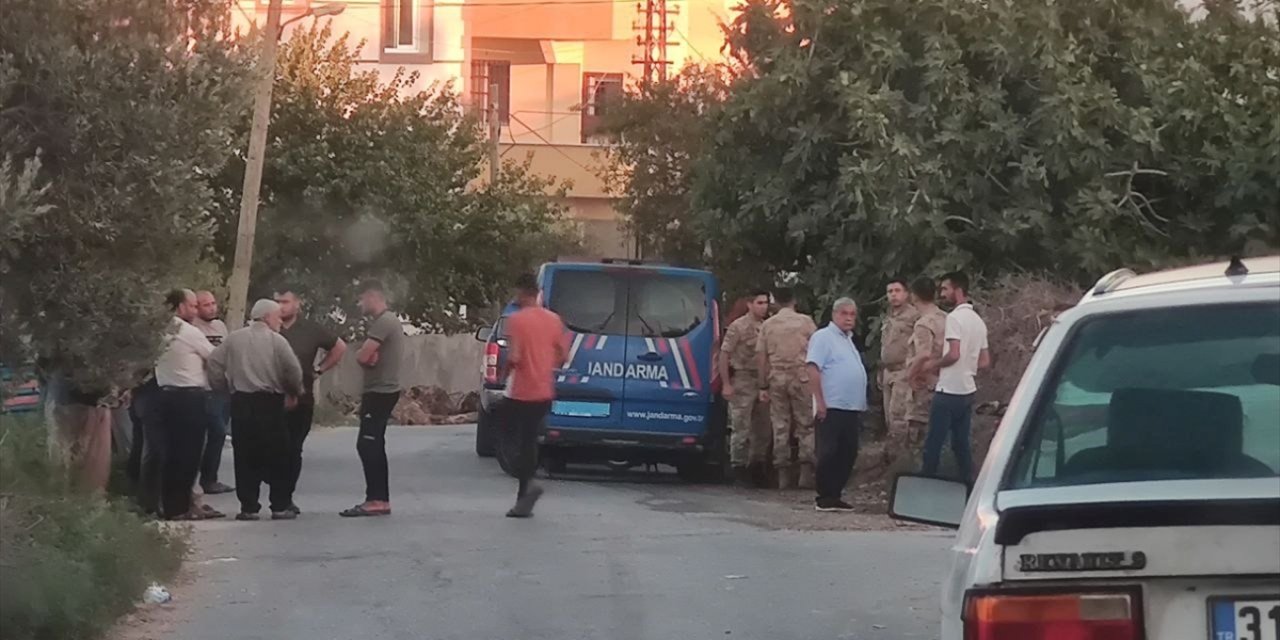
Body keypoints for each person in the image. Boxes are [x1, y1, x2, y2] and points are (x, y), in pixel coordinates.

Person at [208, 299, 305, 521]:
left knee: (245, 455)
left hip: (241, 402)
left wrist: (221, 388)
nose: (280, 321)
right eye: (278, 316)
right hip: (269, 403)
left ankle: (249, 507)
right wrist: (294, 392)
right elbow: (292, 370)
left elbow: (213, 362)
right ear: (267, 317)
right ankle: (279, 505)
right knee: (278, 454)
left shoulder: (233, 339)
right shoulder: (276, 341)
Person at [498, 273, 568, 518]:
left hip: (520, 390)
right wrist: (545, 365)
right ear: (538, 292)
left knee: (510, 437)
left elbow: (514, 357)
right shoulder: (554, 320)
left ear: (520, 292)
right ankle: (523, 496)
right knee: (530, 440)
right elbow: (563, 355)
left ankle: (527, 486)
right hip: (544, 389)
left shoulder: (516, 320)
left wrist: (502, 373)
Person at [275, 287, 347, 513]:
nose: (280, 306)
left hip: (302, 397)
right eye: (276, 302)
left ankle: (284, 498)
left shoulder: (310, 329)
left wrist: (319, 369)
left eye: (285, 301)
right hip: (270, 397)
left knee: (293, 449)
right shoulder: (268, 325)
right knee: (272, 449)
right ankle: (270, 494)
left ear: (297, 304)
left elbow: (339, 347)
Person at [152, 289, 219, 520]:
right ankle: (180, 508)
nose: (195, 310)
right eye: (192, 306)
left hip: (164, 395)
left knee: (170, 453)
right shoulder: (188, 331)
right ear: (180, 307)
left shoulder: (156, 331)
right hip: (189, 398)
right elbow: (214, 357)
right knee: (189, 455)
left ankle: (168, 504)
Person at [341, 280, 405, 518]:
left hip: (380, 391)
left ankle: (377, 499)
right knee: (372, 443)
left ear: (372, 296)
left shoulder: (384, 322)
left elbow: (363, 355)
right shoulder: (386, 322)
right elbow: (367, 356)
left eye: (361, 299)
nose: (360, 304)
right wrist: (366, 356)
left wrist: (362, 355)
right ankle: (378, 498)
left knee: (369, 444)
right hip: (380, 390)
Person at [919, 272, 990, 482]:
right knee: (961, 444)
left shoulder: (954, 318)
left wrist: (933, 365)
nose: (942, 294)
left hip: (949, 389)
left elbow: (953, 353)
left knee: (934, 442)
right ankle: (968, 486)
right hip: (967, 389)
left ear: (958, 291)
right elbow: (985, 361)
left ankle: (925, 485)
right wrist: (967, 366)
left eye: (945, 289)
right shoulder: (978, 321)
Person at [806, 298, 868, 512]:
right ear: (834, 314)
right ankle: (824, 496)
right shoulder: (823, 337)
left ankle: (835, 493)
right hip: (832, 404)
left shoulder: (849, 339)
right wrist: (820, 401)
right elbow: (813, 368)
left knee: (848, 451)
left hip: (851, 406)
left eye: (852, 314)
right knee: (829, 451)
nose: (849, 318)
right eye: (844, 314)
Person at [755, 287, 818, 490]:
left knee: (780, 424)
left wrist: (762, 384)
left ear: (776, 302)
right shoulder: (806, 322)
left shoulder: (767, 325)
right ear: (794, 300)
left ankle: (782, 473)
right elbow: (817, 350)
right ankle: (806, 472)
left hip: (777, 377)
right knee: (805, 424)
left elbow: (761, 357)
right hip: (801, 377)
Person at [719, 289, 772, 487]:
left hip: (763, 381)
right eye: (759, 303)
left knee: (763, 429)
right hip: (742, 380)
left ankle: (757, 466)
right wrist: (726, 383)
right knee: (741, 427)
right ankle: (738, 467)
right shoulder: (738, 327)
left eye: (765, 302)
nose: (763, 307)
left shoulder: (768, 326)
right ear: (749, 304)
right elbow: (725, 354)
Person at [899, 277, 947, 465]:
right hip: (943, 382)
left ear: (913, 296)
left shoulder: (923, 324)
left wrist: (911, 375)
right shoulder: (946, 318)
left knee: (917, 435)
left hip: (923, 384)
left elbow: (924, 354)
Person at [192, 290, 233, 495]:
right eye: (206, 305)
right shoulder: (193, 328)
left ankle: (210, 478)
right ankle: (197, 480)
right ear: (196, 307)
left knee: (219, 434)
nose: (212, 308)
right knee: (213, 432)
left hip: (221, 388)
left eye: (213, 303)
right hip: (202, 387)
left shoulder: (220, 326)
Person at [878, 279, 919, 446]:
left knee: (899, 416)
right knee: (889, 417)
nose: (893, 295)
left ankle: (901, 457)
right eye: (890, 292)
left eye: (897, 290)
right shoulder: (889, 316)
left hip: (903, 371)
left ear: (906, 294)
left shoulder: (914, 316)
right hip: (888, 371)